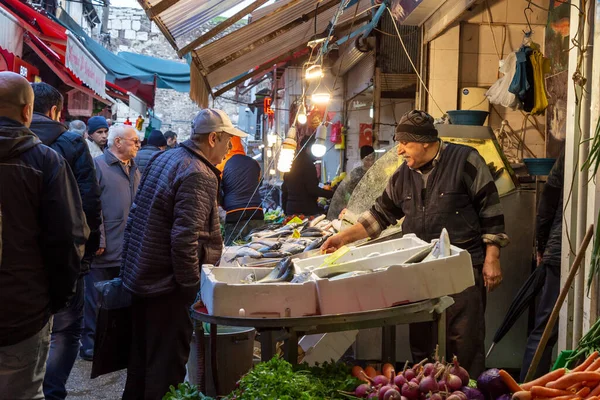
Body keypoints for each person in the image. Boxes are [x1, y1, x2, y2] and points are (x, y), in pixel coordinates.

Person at [322, 110, 509, 376]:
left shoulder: (466, 160)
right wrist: (341, 238)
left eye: (404, 143)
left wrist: (492, 257)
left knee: (464, 343)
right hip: (421, 272)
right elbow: (378, 216)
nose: (399, 151)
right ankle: (425, 390)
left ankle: (468, 392)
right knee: (422, 342)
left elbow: (491, 210)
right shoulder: (402, 176)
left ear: (425, 142)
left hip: (463, 270)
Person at [120, 108, 246, 399]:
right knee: (165, 372)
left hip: (142, 277)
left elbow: (138, 213)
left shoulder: (167, 157)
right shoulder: (199, 173)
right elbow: (184, 239)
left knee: (141, 364)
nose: (229, 149)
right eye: (228, 142)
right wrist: (191, 289)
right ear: (213, 138)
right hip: (166, 287)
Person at [0, 71, 88, 399]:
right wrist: (55, 299)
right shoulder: (46, 161)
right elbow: (68, 238)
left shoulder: (46, 160)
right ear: (27, 112)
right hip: (23, 311)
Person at [28, 82, 103, 400]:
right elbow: (89, 201)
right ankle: (53, 389)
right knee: (66, 328)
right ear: (57, 110)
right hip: (64, 252)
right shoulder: (71, 143)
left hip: (21, 253)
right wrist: (87, 252)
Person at [80, 124, 141, 361]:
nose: (138, 144)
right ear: (118, 143)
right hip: (105, 247)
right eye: (133, 140)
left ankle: (116, 345)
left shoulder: (134, 168)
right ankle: (90, 346)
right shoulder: (98, 167)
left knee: (122, 300)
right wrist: (99, 239)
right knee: (95, 301)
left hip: (128, 247)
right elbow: (92, 208)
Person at [520, 149, 564, 381]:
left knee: (545, 327)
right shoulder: (573, 149)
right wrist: (544, 245)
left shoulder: (571, 150)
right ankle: (528, 388)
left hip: (559, 250)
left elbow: (548, 200)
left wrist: (542, 243)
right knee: (546, 326)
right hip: (561, 251)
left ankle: (527, 386)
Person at [220, 136, 264, 244]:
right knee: (257, 246)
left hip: (233, 212)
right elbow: (258, 183)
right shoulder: (254, 163)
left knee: (233, 250)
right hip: (256, 211)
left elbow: (219, 190)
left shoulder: (222, 164)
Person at [282, 135, 334, 216]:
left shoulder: (292, 162)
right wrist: (331, 194)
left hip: (291, 210)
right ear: (308, 149)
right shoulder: (307, 164)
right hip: (305, 211)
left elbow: (284, 189)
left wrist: (285, 210)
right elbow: (312, 189)